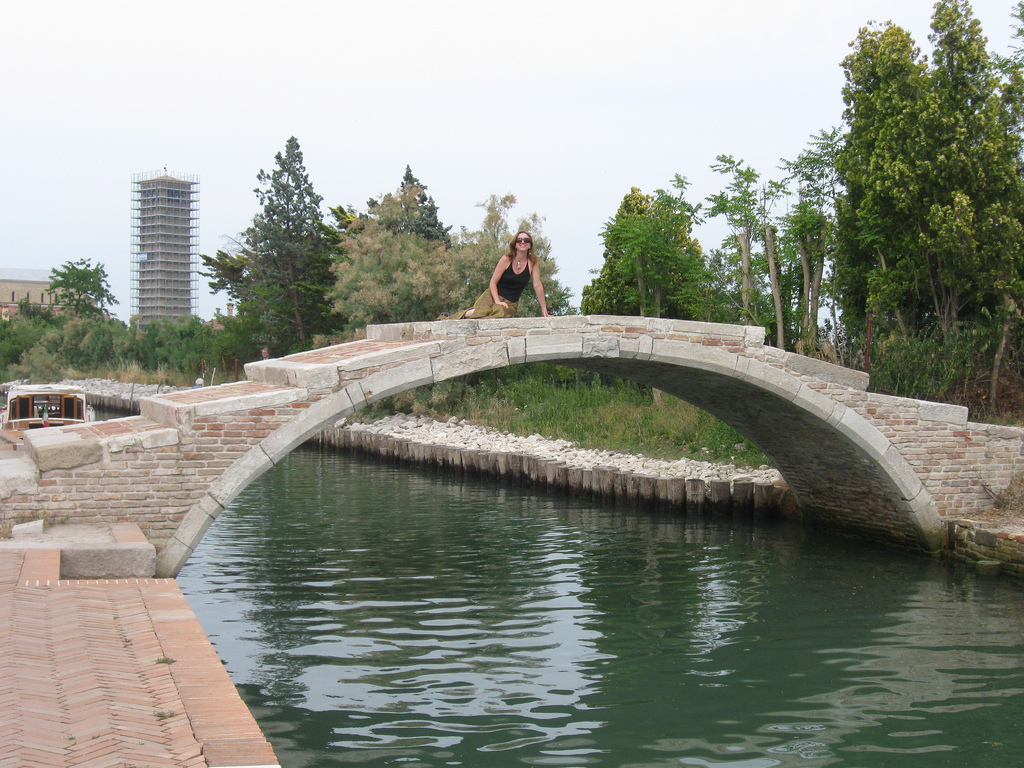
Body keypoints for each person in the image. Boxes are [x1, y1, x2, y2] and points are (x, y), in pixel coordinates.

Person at [448, 231, 549, 319]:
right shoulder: (506, 259)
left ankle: (463, 316)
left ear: (530, 245)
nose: (522, 242)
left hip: (510, 302)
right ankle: (455, 317)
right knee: (483, 311)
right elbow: (493, 282)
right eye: (519, 240)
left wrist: (544, 310)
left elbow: (537, 285)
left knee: (500, 312)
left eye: (526, 240)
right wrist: (497, 301)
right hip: (492, 295)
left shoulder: (532, 262)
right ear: (515, 244)